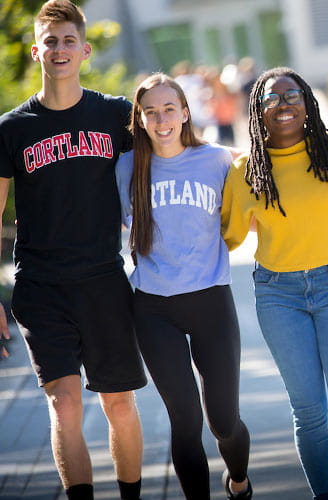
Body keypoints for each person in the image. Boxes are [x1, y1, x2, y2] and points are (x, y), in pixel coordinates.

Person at [220, 66, 328, 500]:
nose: (283, 105)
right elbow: (224, 236)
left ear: (308, 102)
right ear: (257, 112)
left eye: (292, 95)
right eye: (271, 99)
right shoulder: (245, 171)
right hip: (278, 295)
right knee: (309, 410)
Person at [0, 2, 145, 499]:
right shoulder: (11, 129)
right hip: (41, 287)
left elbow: (172, 155)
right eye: (50, 41)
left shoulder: (115, 115)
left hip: (104, 279)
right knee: (63, 404)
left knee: (118, 403)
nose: (59, 50)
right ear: (35, 48)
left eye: (68, 41)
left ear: (84, 50)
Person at [115, 73, 252, 500]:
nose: (161, 119)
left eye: (169, 108)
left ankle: (239, 482)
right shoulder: (124, 168)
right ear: (139, 119)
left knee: (224, 421)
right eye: (150, 112)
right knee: (186, 421)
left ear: (186, 113)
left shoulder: (217, 161)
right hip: (154, 309)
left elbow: (267, 171)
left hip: (211, 301)